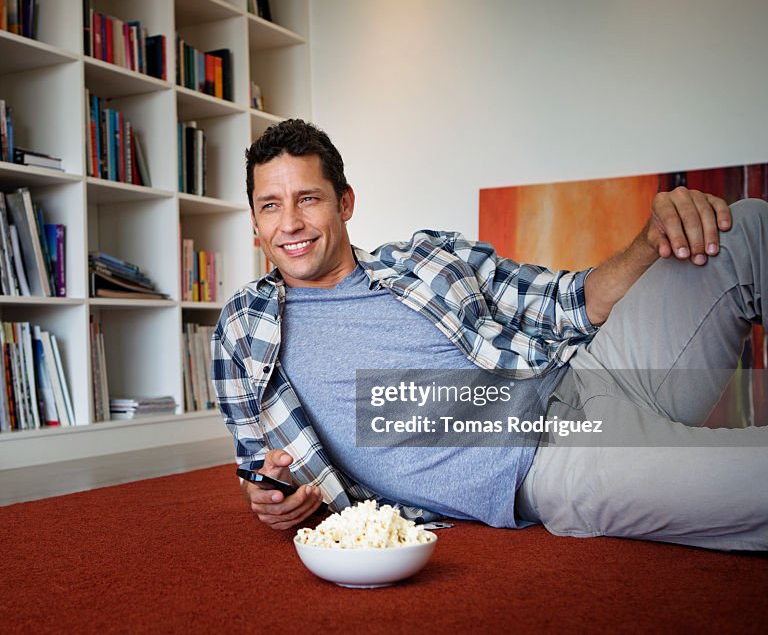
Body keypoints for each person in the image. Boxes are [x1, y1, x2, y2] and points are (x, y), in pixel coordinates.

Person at [212, 118, 768, 551]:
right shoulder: (244, 327)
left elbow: (568, 300)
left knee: (744, 227)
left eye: (307, 199)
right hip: (550, 464)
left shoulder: (429, 257)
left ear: (345, 202)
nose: (290, 223)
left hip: (594, 373)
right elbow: (255, 461)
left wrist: (651, 240)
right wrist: (263, 493)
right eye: (271, 206)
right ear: (256, 221)